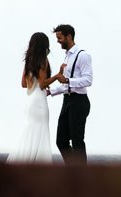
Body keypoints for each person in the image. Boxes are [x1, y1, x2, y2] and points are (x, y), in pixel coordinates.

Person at [9, 32, 63, 163]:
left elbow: (23, 84)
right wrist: (57, 76)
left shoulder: (28, 61)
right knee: (40, 133)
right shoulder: (43, 61)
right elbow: (43, 83)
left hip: (30, 101)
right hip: (39, 102)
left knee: (29, 132)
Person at [49, 23, 93, 164]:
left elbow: (88, 80)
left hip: (79, 102)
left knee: (77, 140)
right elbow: (66, 85)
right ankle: (73, 170)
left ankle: (82, 175)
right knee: (61, 141)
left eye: (59, 37)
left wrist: (68, 80)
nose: (57, 41)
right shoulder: (67, 57)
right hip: (67, 101)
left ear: (69, 36)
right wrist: (50, 91)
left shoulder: (83, 55)